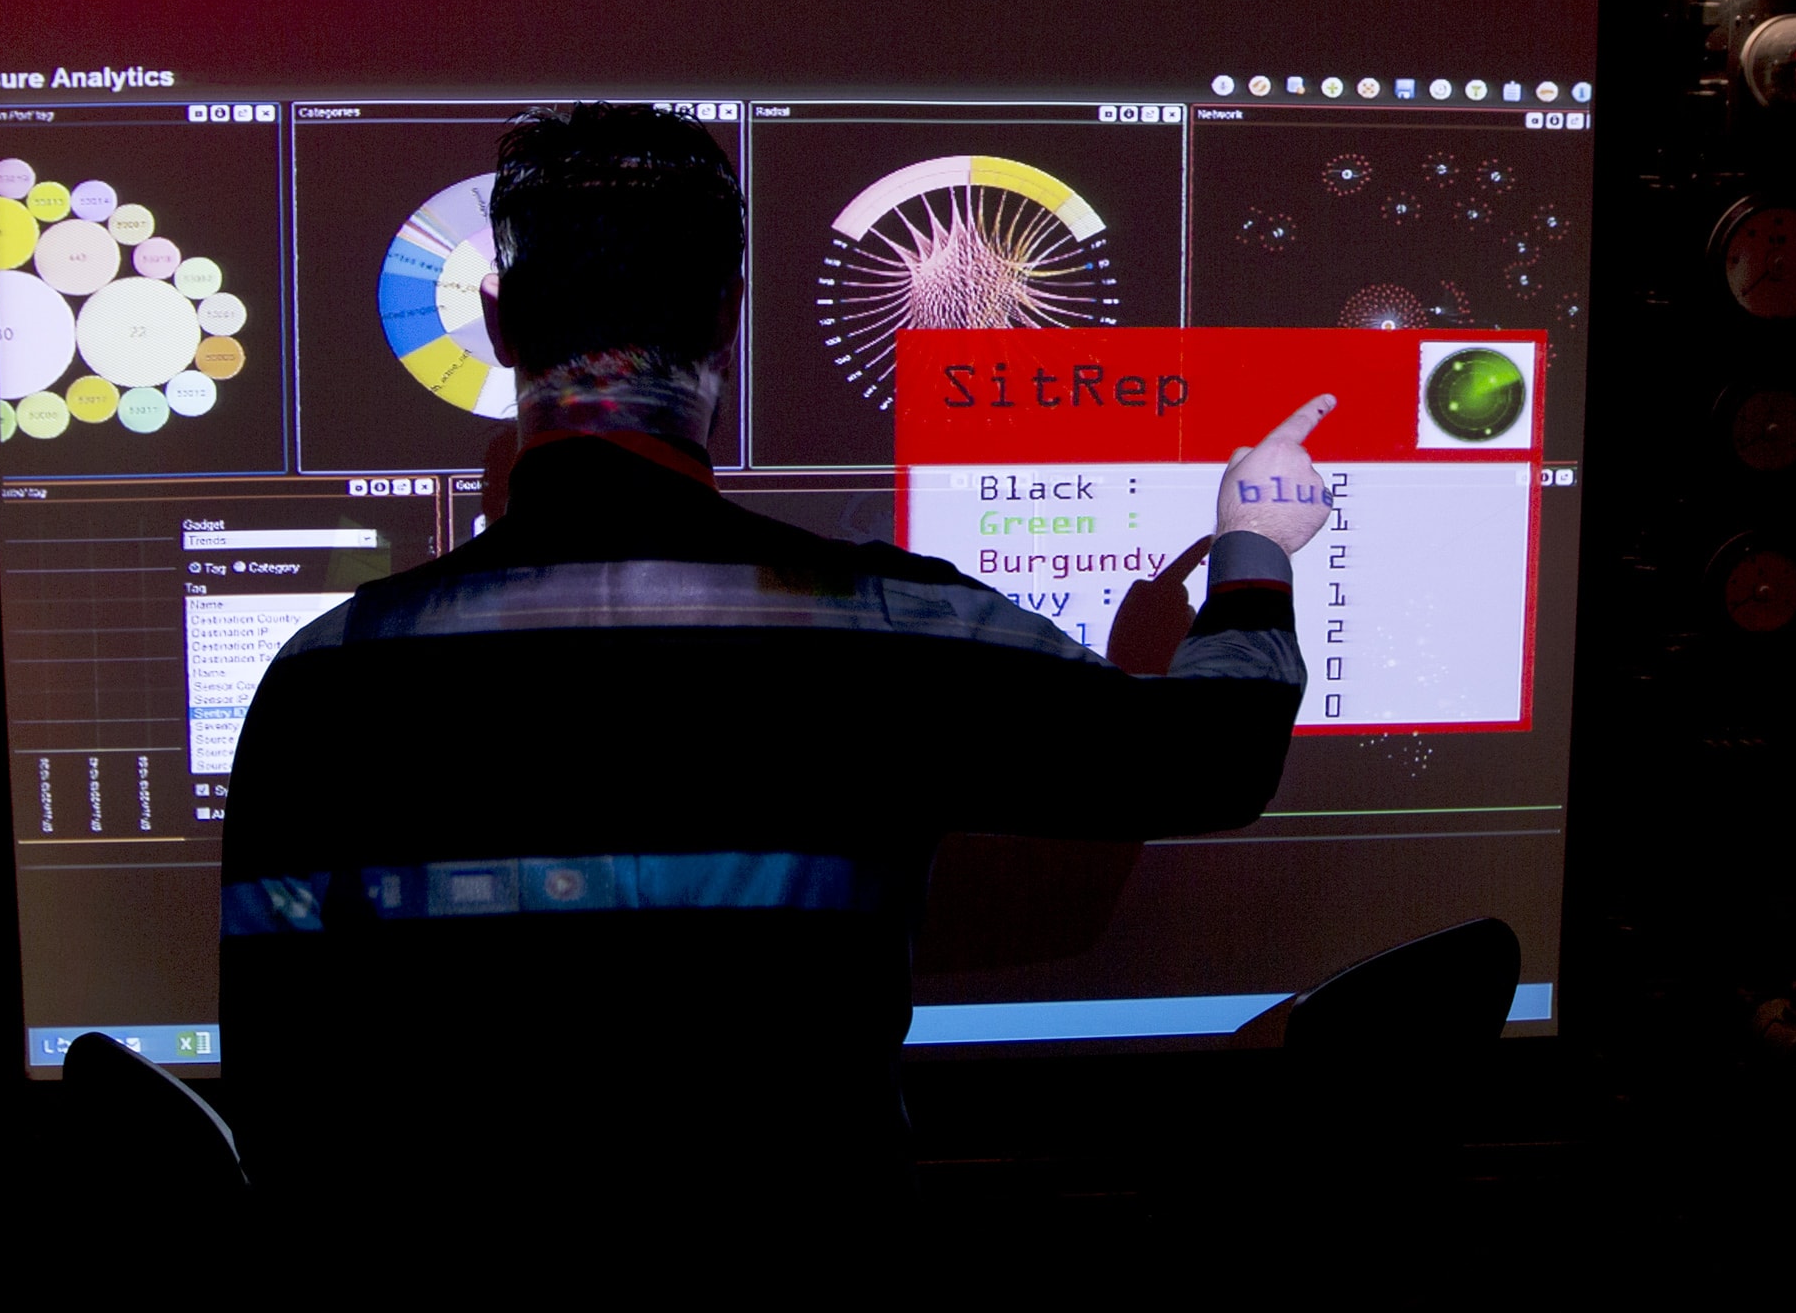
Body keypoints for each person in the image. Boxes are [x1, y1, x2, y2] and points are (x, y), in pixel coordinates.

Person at [219, 103, 1332, 1220]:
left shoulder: (328, 674)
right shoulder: (889, 628)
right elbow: (1216, 758)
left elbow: (278, 1086)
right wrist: (1253, 542)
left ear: (500, 326)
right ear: (729, 316)